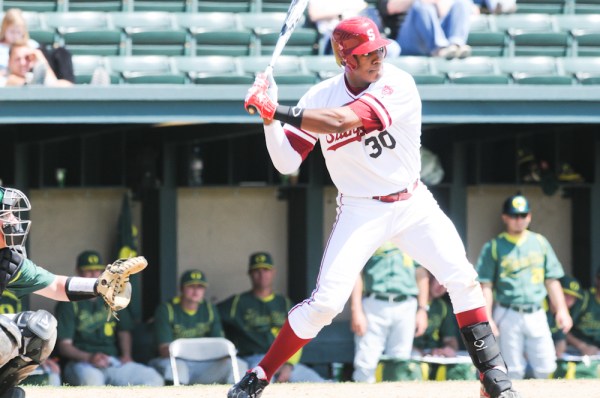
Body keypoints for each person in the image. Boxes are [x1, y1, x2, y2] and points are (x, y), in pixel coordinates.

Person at [238, 16, 520, 398]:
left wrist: (279, 109)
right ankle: (260, 374)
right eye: (365, 53)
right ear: (344, 59)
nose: (376, 57)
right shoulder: (319, 96)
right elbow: (287, 163)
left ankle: (492, 375)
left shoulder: (397, 83)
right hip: (360, 209)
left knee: (462, 277)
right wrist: (269, 121)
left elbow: (341, 121)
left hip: (412, 202)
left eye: (379, 49)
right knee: (325, 305)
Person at [0, 186, 143, 398]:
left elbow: (55, 285)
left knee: (39, 329)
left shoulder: (8, 260)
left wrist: (99, 286)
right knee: (5, 335)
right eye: (6, 214)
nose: (14, 220)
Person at [475, 194, 573, 380]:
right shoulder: (494, 246)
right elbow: (485, 285)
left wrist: (562, 310)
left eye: (523, 215)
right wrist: (487, 317)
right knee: (513, 369)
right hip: (507, 311)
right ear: (505, 217)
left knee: (546, 365)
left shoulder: (540, 242)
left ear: (529, 216)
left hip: (536, 311)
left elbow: (552, 280)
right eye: (514, 216)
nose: (519, 220)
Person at [55, 250, 164, 387]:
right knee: (92, 381)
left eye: (97, 270)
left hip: (112, 360)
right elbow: (65, 346)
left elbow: (124, 331)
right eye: (88, 270)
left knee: (153, 378)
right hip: (82, 363)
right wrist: (89, 357)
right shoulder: (68, 301)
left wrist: (126, 355)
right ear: (78, 271)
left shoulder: (112, 296)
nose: (93, 274)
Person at [218, 252, 324, 384]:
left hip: (285, 360)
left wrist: (289, 365)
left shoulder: (284, 303)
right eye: (257, 270)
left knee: (318, 382)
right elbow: (212, 317)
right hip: (253, 359)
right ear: (250, 273)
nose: (262, 274)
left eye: (266, 270)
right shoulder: (237, 302)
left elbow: (299, 332)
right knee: (262, 384)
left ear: (273, 272)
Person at [149, 269, 246, 385]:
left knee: (239, 365)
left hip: (204, 364)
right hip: (177, 362)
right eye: (191, 286)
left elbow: (220, 347)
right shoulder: (167, 309)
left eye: (200, 287)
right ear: (181, 288)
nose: (196, 291)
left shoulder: (209, 309)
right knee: (178, 368)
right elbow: (164, 350)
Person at [350, 242, 429, 382]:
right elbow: (356, 273)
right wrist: (356, 310)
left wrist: (423, 310)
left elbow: (422, 274)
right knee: (366, 360)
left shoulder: (410, 237)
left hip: (406, 303)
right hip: (374, 301)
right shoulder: (372, 234)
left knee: (400, 360)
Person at [413, 271, 477, 381]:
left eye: (446, 284)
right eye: (439, 281)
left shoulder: (443, 307)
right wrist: (422, 352)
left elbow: (451, 340)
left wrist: (447, 349)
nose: (442, 286)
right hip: (412, 358)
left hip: (433, 358)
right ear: (428, 278)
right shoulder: (410, 303)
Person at [0, 291, 61, 387]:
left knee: (40, 326)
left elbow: (25, 330)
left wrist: (39, 356)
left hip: (10, 352)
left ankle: (6, 387)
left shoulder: (16, 286)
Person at [0, 8, 75, 84]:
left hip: (31, 77)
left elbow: (48, 76)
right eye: (12, 32)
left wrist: (39, 57)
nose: (15, 36)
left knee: (61, 53)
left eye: (18, 32)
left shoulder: (32, 46)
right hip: (6, 77)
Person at [377, 0, 473, 59]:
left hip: (435, 30)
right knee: (421, 6)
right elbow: (390, 7)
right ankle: (439, 49)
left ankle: (456, 45)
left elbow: (443, 11)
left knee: (463, 2)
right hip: (408, 39)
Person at [307, 0, 399, 57]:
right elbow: (314, 14)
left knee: (392, 47)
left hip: (362, 34)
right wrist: (342, 14)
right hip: (335, 37)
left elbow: (364, 9)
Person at [5, 43, 74, 87]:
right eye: (17, 59)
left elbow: (63, 86)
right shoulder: (4, 78)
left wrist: (40, 57)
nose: (23, 63)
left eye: (27, 58)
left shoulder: (33, 77)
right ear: (9, 62)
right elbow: (11, 81)